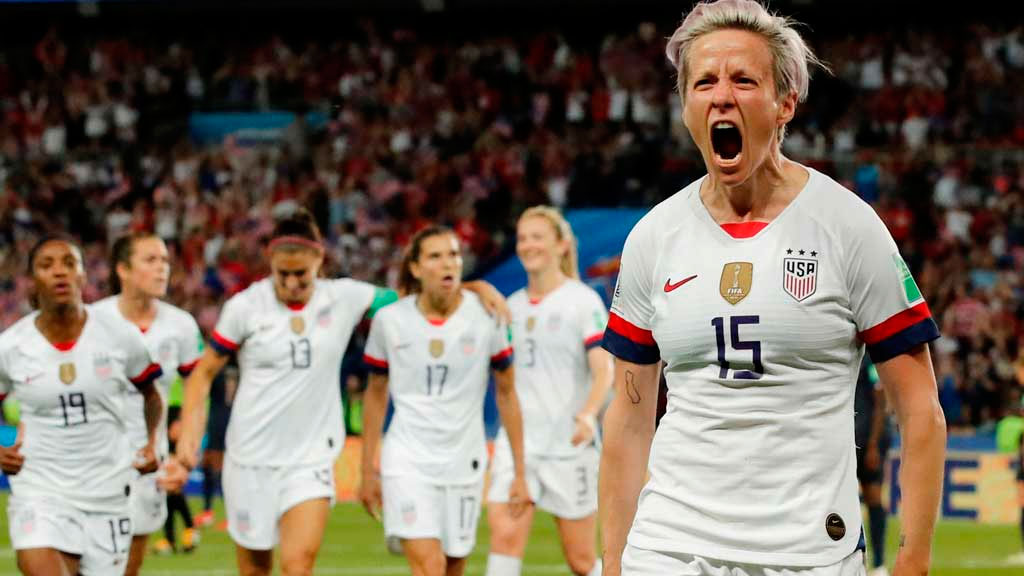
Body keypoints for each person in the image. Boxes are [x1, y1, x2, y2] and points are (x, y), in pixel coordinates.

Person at [598, 2, 947, 575]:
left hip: (809, 552)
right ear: (686, 107)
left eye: (743, 80)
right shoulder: (653, 237)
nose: (721, 96)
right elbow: (629, 419)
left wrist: (913, 562)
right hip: (668, 547)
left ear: (786, 102)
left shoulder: (848, 227)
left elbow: (920, 410)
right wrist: (613, 561)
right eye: (704, 82)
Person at [176, 209, 508, 576]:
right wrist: (190, 430)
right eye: (282, 274)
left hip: (311, 461)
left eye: (301, 274)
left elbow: (412, 296)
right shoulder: (245, 307)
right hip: (249, 458)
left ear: (319, 259)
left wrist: (472, 289)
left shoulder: (345, 297)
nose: (291, 283)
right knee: (254, 570)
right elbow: (204, 372)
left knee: (297, 566)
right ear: (270, 260)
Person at [359, 225, 529, 576]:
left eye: (453, 254)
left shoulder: (487, 315)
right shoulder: (390, 321)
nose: (447, 263)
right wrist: (366, 471)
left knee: (453, 565)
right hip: (407, 460)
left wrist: (520, 472)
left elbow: (507, 392)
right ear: (416, 268)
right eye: (434, 256)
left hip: (464, 460)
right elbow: (375, 394)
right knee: (430, 566)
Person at [0, 236, 165, 576]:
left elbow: (151, 394)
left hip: (107, 491)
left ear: (83, 275)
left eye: (69, 263)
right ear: (32, 280)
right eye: (46, 265)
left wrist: (151, 443)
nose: (59, 272)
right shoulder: (11, 346)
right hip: (39, 489)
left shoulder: (119, 335)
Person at [486, 206, 611, 576]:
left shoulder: (582, 301)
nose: (528, 245)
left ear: (561, 245)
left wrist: (588, 414)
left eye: (537, 237)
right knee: (505, 540)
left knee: (581, 560)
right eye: (523, 238)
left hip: (568, 445)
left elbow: (604, 368)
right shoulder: (510, 307)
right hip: (518, 446)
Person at [94, 233, 205, 574]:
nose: (162, 269)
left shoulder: (181, 326)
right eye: (151, 260)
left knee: (129, 567)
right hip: (93, 461)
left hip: (148, 463)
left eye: (165, 261)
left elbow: (197, 389)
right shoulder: (93, 321)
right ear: (123, 269)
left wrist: (185, 456)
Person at [855, 357, 891, 575]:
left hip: (869, 439)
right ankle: (856, 558)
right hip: (850, 438)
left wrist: (873, 444)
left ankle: (878, 563)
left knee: (874, 497)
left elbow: (880, 397)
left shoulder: (870, 360)